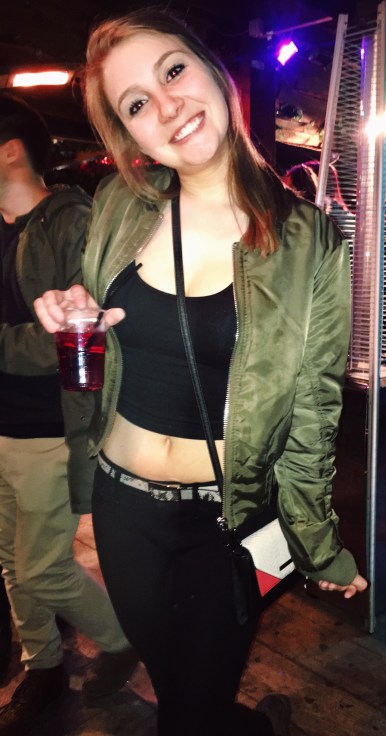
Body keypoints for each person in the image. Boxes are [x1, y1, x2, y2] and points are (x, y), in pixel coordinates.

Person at [34, 8, 368, 736]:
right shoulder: (119, 205)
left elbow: (314, 411)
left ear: (214, 70)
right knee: (181, 691)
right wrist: (72, 305)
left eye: (174, 71)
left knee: (188, 712)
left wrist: (317, 543)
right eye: (136, 105)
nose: (166, 106)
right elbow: (98, 322)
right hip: (123, 510)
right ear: (130, 136)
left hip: (225, 518)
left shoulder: (309, 239)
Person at [0, 94, 138, 735]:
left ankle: (125, 636)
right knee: (11, 560)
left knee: (42, 566)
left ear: (9, 151)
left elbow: (83, 334)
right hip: (2, 424)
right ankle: (44, 666)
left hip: (46, 429)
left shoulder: (70, 221)